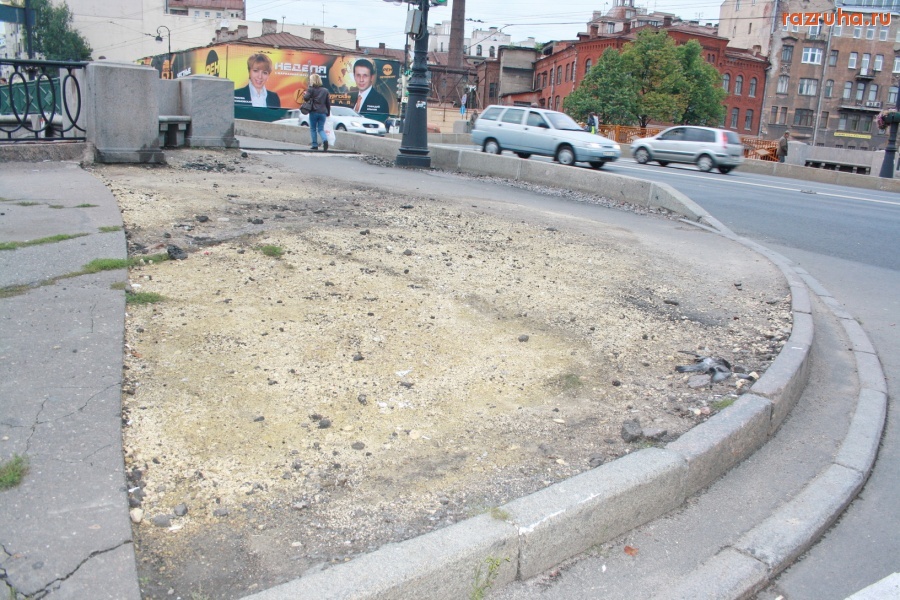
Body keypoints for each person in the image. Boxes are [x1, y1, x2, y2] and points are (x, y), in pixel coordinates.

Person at [303, 73, 331, 151]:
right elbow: (328, 103)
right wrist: (328, 113)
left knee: (313, 128)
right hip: (323, 113)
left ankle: (315, 145)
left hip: (314, 112)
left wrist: (305, 94)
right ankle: (325, 140)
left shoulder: (311, 89)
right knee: (321, 129)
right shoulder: (325, 90)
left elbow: (306, 98)